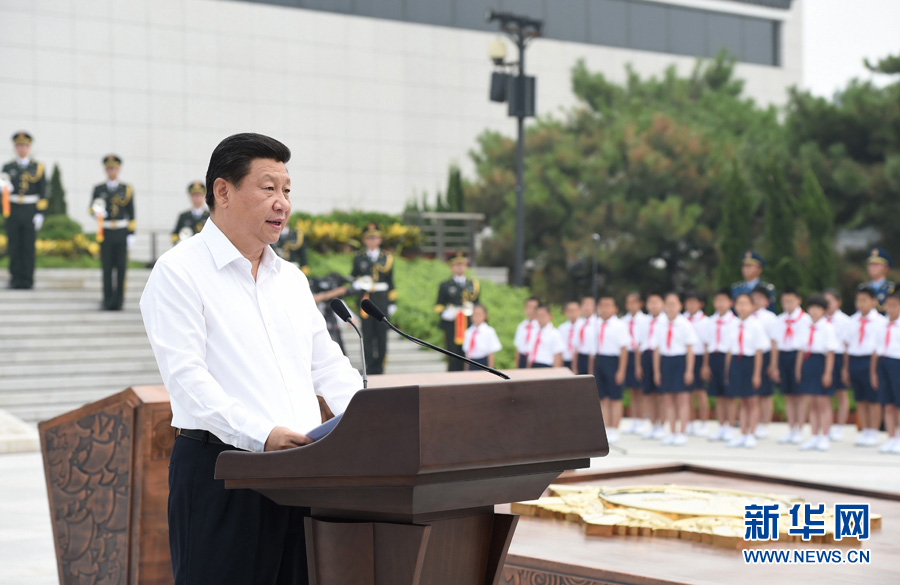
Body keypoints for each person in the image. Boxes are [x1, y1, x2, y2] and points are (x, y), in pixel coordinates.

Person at [140, 132, 362, 585]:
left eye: (287, 190)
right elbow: (187, 380)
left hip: (303, 472)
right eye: (268, 188)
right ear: (223, 191)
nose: (283, 203)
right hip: (223, 473)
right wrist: (262, 435)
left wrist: (370, 421)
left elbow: (328, 366)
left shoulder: (291, 279)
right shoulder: (179, 271)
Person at [1, 131, 47, 289]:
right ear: (15, 148)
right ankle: (15, 279)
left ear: (29, 148)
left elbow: (43, 192)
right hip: (13, 210)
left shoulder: (37, 167)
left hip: (30, 210)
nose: (22, 148)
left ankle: (28, 279)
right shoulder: (8, 167)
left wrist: (40, 214)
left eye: (24, 146)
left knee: (28, 247)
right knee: (14, 246)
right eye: (19, 145)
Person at [794, 295, 840, 451]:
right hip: (808, 363)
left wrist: (828, 373)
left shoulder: (827, 327)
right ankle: (814, 436)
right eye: (812, 307)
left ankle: (824, 436)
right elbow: (801, 350)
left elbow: (830, 353)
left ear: (824, 310)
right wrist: (799, 369)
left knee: (823, 403)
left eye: (818, 308)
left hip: (821, 363)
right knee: (812, 403)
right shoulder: (805, 326)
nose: (814, 311)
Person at [89, 155, 136, 311]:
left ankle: (119, 301)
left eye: (114, 168)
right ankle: (107, 300)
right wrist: (96, 213)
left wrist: (131, 233)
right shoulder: (99, 189)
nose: (112, 171)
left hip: (121, 231)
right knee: (107, 267)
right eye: (109, 168)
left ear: (118, 169)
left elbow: (131, 212)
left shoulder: (126, 189)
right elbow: (91, 208)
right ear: (105, 170)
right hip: (106, 231)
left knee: (121, 268)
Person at [842, 287, 886, 447]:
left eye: (864, 300)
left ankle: (873, 431)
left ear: (873, 302)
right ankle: (865, 430)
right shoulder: (852, 320)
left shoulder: (881, 321)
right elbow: (847, 345)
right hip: (855, 359)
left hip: (871, 360)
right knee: (860, 398)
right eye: (858, 300)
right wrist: (845, 368)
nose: (860, 304)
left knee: (873, 398)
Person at [653, 293, 698, 446]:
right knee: (668, 400)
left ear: (680, 306)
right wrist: (657, 371)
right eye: (668, 304)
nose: (671, 307)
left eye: (674, 304)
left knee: (682, 399)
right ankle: (672, 432)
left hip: (680, 361)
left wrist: (689, 370)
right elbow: (657, 350)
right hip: (666, 361)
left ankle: (682, 432)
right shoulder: (660, 324)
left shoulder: (685, 324)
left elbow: (690, 349)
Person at [351, 222, 396, 375]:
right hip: (365, 300)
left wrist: (392, 302)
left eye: (375, 237)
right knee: (367, 335)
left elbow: (391, 281)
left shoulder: (386, 257)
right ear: (364, 240)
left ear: (380, 239)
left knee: (382, 335)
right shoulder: (359, 257)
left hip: (381, 299)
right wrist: (357, 282)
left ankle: (380, 368)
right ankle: (369, 368)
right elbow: (353, 275)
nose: (372, 241)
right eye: (369, 238)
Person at [724, 293, 768, 449]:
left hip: (750, 362)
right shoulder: (732, 324)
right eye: (739, 304)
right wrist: (728, 371)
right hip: (736, 362)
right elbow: (729, 350)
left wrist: (757, 374)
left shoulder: (756, 325)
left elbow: (759, 352)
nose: (742, 307)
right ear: (735, 306)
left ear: (752, 306)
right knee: (742, 401)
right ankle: (742, 433)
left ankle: (751, 434)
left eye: (745, 304)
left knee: (752, 401)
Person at [771, 288, 811, 444]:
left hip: (799, 357)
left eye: (790, 301)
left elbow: (804, 345)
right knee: (788, 395)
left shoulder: (805, 319)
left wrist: (799, 367)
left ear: (798, 301)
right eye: (784, 301)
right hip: (784, 356)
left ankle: (800, 428)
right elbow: (775, 343)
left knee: (800, 395)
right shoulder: (780, 319)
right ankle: (791, 428)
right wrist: (774, 365)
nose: (787, 304)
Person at [593, 296, 630, 444]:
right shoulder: (596, 324)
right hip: (599, 360)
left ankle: (615, 428)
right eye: (602, 305)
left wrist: (621, 370)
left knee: (615, 397)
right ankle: (606, 428)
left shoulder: (619, 325)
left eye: (608, 305)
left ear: (615, 308)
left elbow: (624, 349)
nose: (605, 308)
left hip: (613, 361)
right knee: (602, 397)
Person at [435, 252, 480, 371]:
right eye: (457, 264)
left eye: (462, 264)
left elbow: (478, 305)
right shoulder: (445, 285)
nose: (460, 267)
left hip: (468, 323)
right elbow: (438, 306)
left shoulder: (473, 284)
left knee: (468, 353)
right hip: (452, 325)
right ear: (451, 266)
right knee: (452, 353)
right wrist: (445, 313)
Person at [703, 288, 737, 442]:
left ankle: (730, 427)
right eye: (717, 301)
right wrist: (705, 365)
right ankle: (721, 426)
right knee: (718, 396)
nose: (720, 304)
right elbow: (706, 344)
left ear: (731, 302)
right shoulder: (710, 321)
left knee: (729, 395)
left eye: (724, 300)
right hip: (713, 357)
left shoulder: (735, 322)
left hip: (729, 358)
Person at [871, 290, 900, 454]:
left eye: (894, 305)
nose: (891, 309)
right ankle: (891, 437)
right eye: (888, 305)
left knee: (898, 404)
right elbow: (876, 350)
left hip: (897, 363)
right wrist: (873, 372)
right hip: (883, 362)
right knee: (887, 403)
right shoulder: (880, 325)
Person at [635, 293, 667, 439]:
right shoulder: (643, 322)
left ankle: (662, 425)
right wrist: (638, 365)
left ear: (662, 304)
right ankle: (653, 424)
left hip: (662, 357)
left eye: (656, 302)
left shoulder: (666, 320)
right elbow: (639, 344)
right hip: (646, 356)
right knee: (648, 394)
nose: (653, 305)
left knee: (661, 394)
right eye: (650, 302)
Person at [824, 288, 852, 440]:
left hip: (840, 357)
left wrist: (845, 368)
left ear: (838, 302)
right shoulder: (820, 319)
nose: (828, 304)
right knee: (825, 395)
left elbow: (847, 345)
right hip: (824, 357)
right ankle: (826, 427)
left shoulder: (845, 320)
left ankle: (840, 427)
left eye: (830, 301)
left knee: (841, 393)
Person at [752, 284, 779, 439]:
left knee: (765, 393)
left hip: (766, 355)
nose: (756, 301)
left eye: (759, 298)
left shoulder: (770, 318)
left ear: (767, 302)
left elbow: (774, 342)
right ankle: (753, 422)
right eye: (753, 298)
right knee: (751, 393)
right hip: (750, 357)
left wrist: (773, 364)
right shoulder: (746, 316)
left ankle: (764, 424)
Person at [621, 292, 649, 434]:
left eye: (634, 302)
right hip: (628, 354)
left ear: (640, 304)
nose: (631, 305)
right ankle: (635, 420)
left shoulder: (646, 320)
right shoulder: (622, 321)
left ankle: (642, 420)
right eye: (628, 302)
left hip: (641, 355)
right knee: (632, 390)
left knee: (641, 390)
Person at [684, 291, 709, 436]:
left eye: (694, 302)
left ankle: (704, 423)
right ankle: (690, 422)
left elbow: (706, 344)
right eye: (688, 302)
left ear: (701, 304)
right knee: (687, 393)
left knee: (700, 392)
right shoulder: (682, 319)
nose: (691, 305)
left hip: (699, 357)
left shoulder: (705, 321)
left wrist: (705, 365)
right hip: (686, 357)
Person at [462, 304, 502, 369]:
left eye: (479, 314)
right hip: (472, 362)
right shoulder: (468, 332)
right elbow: (467, 354)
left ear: (485, 315)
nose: (477, 317)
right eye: (475, 314)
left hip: (484, 362)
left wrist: (490, 368)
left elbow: (491, 353)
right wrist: (466, 369)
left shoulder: (489, 331)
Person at [527, 304, 563, 368]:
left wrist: (556, 371)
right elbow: (530, 351)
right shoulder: (533, 331)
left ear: (550, 316)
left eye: (543, 315)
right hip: (533, 364)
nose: (540, 318)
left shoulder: (555, 333)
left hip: (546, 365)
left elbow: (557, 354)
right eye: (538, 315)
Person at [863, 247, 895, 312]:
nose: (872, 267)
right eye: (870, 264)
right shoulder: (863, 288)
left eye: (876, 264)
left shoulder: (893, 289)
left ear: (886, 268)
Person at [513, 297, 540, 369]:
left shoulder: (540, 326)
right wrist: (516, 366)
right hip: (523, 358)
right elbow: (518, 348)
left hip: (536, 360)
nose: (531, 310)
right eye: (529, 307)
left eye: (534, 308)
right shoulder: (521, 326)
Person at [573, 296, 597, 376]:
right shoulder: (579, 323)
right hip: (580, 357)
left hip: (592, 359)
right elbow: (575, 345)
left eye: (589, 305)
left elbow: (593, 347)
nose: (587, 308)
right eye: (585, 305)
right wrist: (574, 366)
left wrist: (591, 369)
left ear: (594, 307)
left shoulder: (597, 323)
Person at [557, 301, 581, 371]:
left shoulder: (583, 327)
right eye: (570, 310)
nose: (572, 313)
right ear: (565, 312)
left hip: (579, 360)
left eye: (574, 310)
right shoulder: (561, 328)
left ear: (580, 311)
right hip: (565, 360)